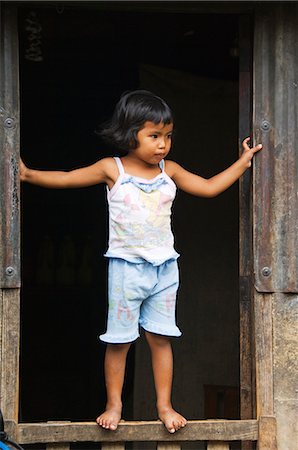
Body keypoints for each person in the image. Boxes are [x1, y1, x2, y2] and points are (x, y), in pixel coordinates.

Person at [20, 90, 262, 433]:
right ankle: (114, 404)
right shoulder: (111, 169)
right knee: (120, 340)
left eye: (167, 136)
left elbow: (208, 188)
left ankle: (165, 405)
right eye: (154, 136)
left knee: (160, 339)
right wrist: (28, 175)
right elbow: (66, 177)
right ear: (128, 132)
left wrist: (243, 161)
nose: (163, 144)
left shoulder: (170, 170)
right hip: (125, 269)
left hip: (165, 268)